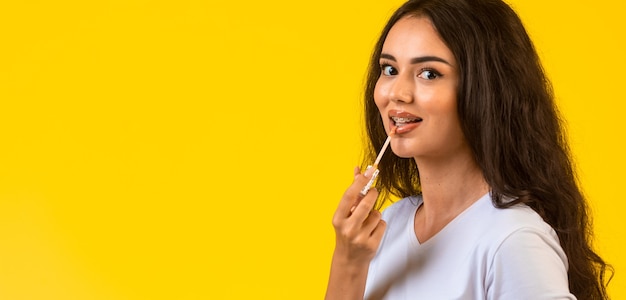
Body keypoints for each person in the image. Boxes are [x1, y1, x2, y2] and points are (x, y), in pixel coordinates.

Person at [325, 0, 613, 299]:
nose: (396, 93)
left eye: (429, 73)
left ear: (486, 89)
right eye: (389, 69)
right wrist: (347, 263)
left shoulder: (513, 240)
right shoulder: (388, 226)